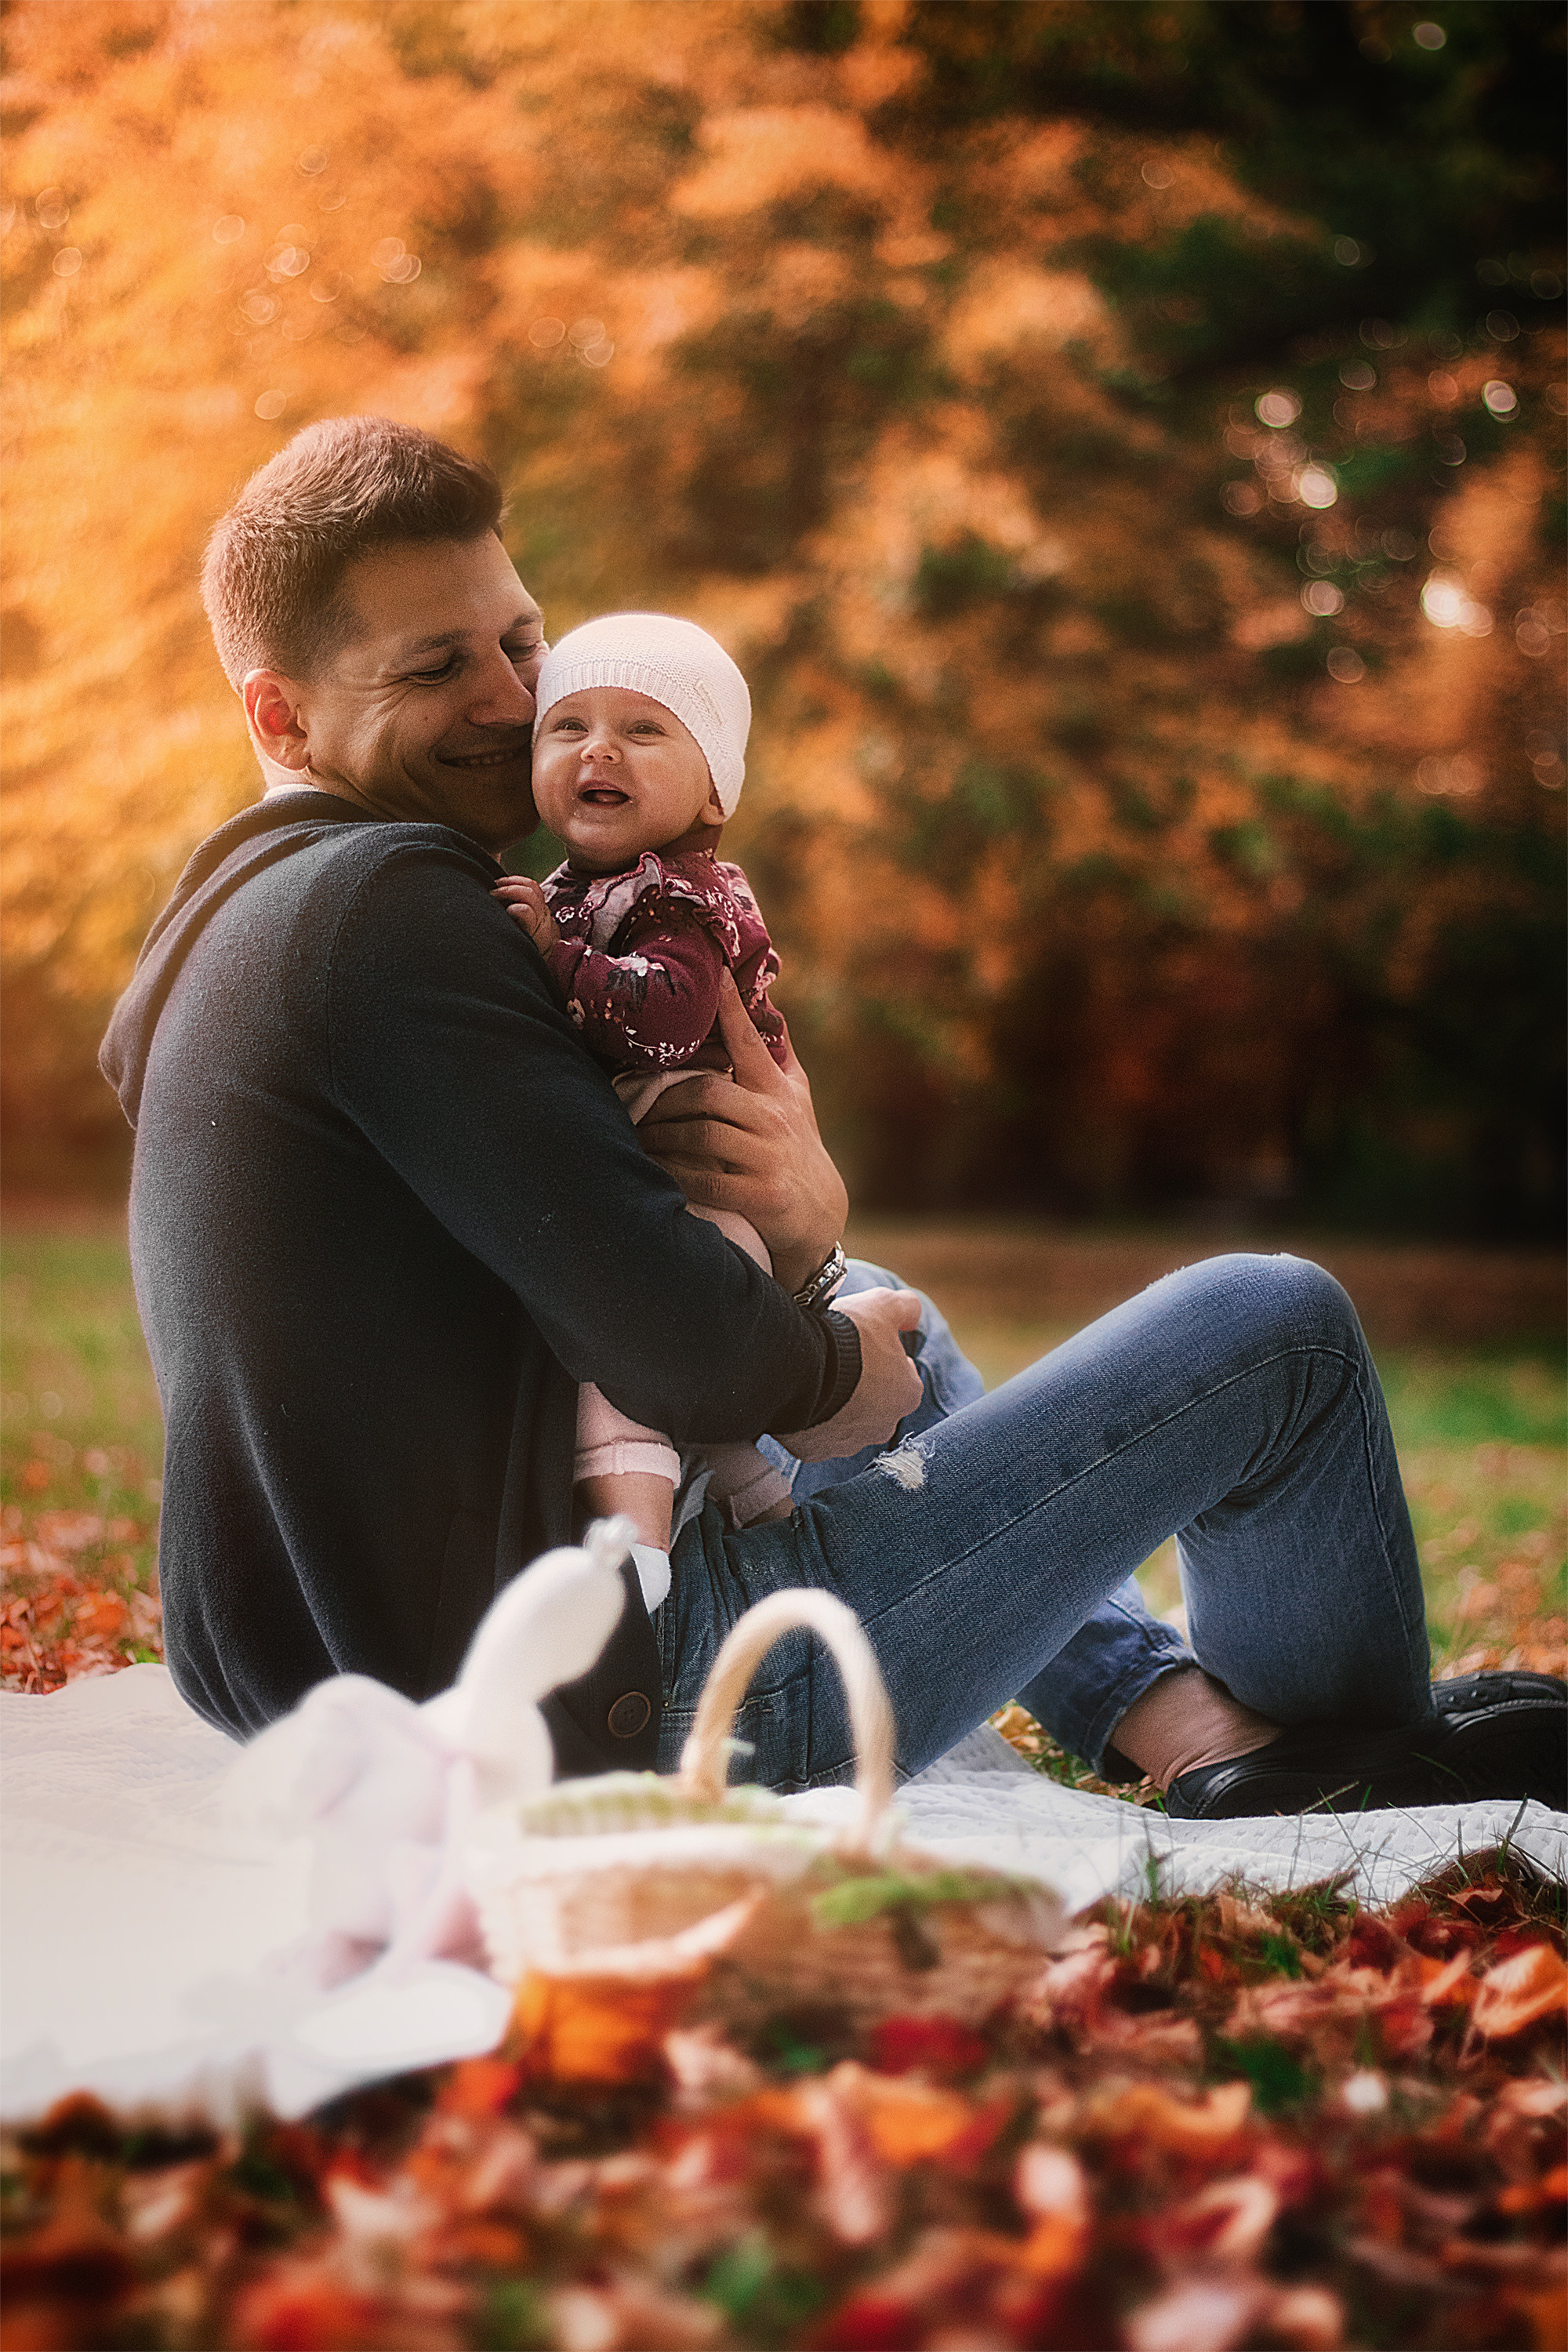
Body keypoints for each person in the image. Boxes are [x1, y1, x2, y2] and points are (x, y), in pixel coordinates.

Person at [100, 416, 1564, 1822]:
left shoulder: (238, 921)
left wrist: (807, 1267)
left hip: (344, 1671)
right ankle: (1361, 1748)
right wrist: (820, 1356)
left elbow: (569, 1266)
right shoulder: (393, 911)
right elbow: (686, 1347)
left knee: (868, 1299)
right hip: (616, 1700)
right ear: (280, 712)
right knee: (1275, 1326)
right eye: (437, 666)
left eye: (519, 640)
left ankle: (1170, 1717)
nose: (509, 700)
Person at [495, 612, 808, 1583]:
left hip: (711, 1197)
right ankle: (758, 1495)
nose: (598, 746)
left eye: (642, 728)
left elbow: (668, 1020)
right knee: (662, 1359)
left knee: (617, 1359)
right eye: (566, 724)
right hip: (672, 1186)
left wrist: (555, 957)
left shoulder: (680, 899)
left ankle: (635, 1557)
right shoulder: (583, 886)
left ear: (713, 790)